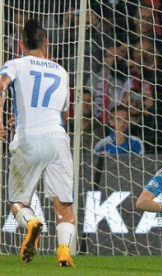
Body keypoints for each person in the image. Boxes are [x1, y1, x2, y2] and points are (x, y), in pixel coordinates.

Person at [0, 19, 76, 267]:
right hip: (57, 138)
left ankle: (30, 223)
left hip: (27, 139)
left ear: (21, 44)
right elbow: (63, 114)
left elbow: (2, 85)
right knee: (64, 206)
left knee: (18, 202)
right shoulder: (61, 71)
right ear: (46, 41)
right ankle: (64, 251)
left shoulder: (15, 64)